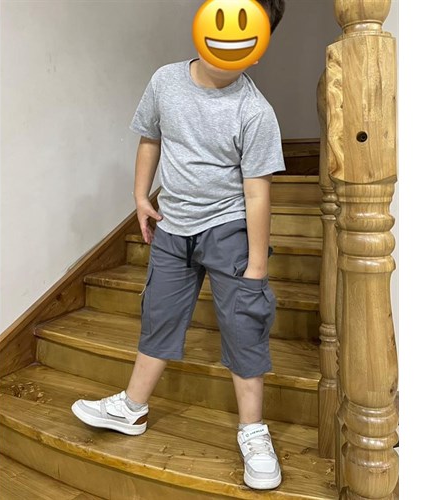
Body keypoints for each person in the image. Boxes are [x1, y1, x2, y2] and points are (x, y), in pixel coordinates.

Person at [72, 0, 286, 490]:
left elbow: (258, 192)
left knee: (243, 325)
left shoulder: (255, 112)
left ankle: (253, 431)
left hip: (229, 228)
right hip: (173, 227)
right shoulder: (165, 81)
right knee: (160, 314)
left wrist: (256, 264)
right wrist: (139, 197)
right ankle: (132, 407)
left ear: (258, 50)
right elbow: (150, 138)